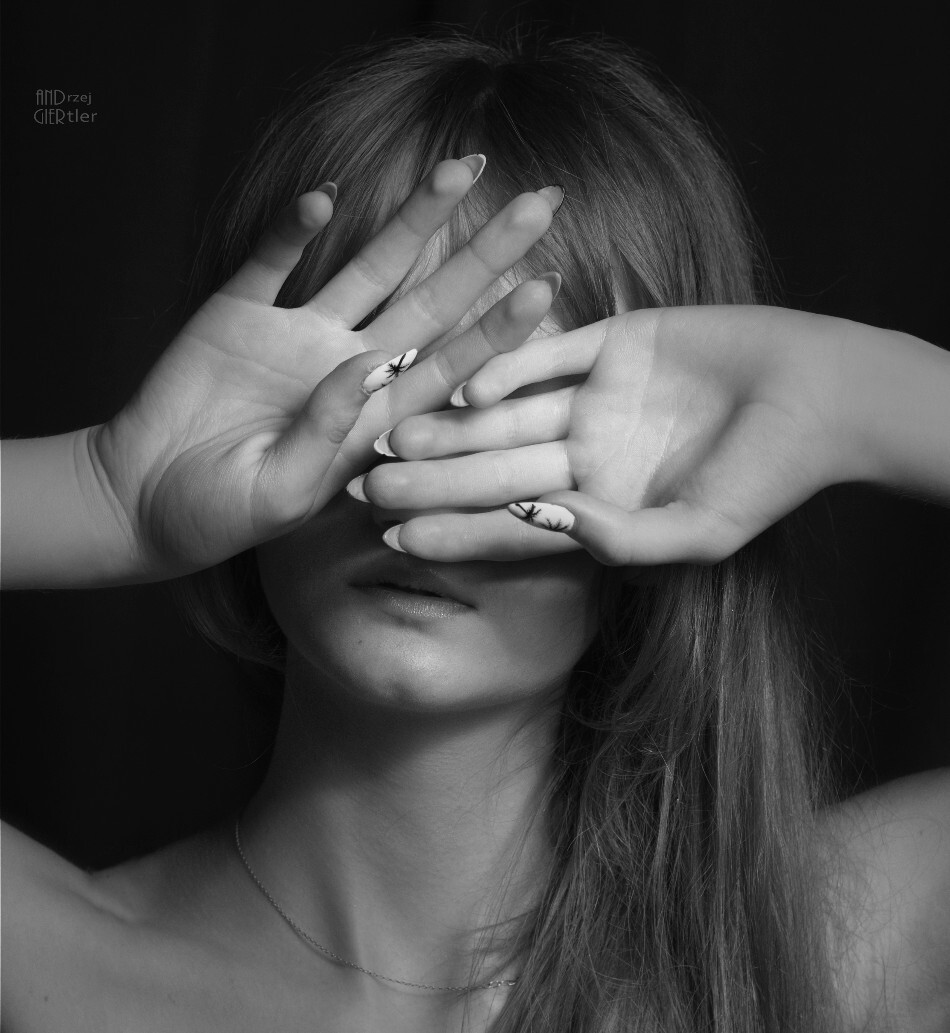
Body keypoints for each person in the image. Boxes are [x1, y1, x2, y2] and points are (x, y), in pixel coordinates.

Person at [2, 32, 949, 1033]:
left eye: (521, 420)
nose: (414, 490)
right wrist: (105, 488)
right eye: (366, 388)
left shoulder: (804, 955)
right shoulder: (40, 964)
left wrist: (850, 389)